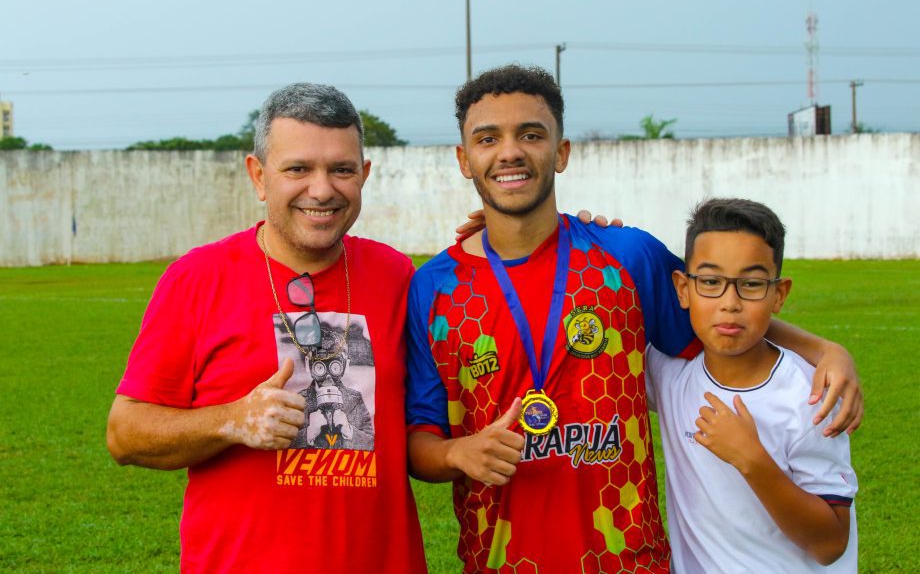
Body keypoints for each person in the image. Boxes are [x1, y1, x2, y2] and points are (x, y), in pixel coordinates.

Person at [404, 64, 863, 573]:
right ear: (465, 160)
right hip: (497, 560)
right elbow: (419, 443)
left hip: (627, 559)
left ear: (561, 152)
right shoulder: (433, 288)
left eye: (531, 135)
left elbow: (720, 314)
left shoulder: (629, 255)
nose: (510, 151)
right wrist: (457, 454)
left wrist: (823, 350)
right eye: (488, 138)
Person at [106, 83, 427, 573]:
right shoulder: (197, 279)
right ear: (258, 176)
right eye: (297, 168)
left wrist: (575, 234)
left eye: (341, 169)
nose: (322, 189)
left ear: (364, 175)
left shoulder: (398, 276)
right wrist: (233, 419)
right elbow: (125, 434)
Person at [646, 198, 857, 572]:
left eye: (752, 284)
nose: (730, 302)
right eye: (710, 281)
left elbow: (830, 543)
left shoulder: (811, 396)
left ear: (779, 293)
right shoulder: (669, 372)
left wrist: (752, 459)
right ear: (683, 288)